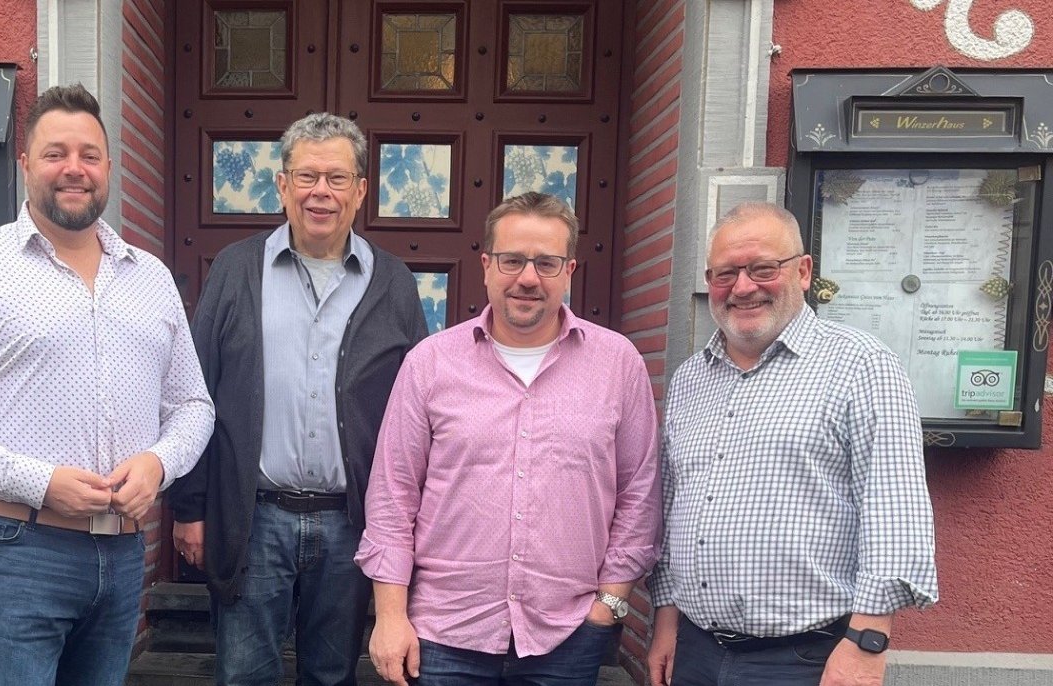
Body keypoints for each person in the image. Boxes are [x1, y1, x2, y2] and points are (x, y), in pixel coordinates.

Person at [0, 83, 214, 686]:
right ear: (25, 166)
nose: (75, 169)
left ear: (109, 167)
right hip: (16, 550)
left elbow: (193, 404)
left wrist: (158, 464)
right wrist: (39, 482)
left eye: (90, 155)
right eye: (55, 153)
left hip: (122, 555)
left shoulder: (151, 279)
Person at [356, 191, 661, 686]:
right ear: (486, 265)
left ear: (570, 270)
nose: (527, 277)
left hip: (566, 636)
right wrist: (390, 617)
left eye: (546, 262)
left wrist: (609, 604)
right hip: (444, 633)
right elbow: (393, 496)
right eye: (512, 260)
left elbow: (639, 493)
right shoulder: (431, 363)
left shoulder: (617, 364)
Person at [167, 112, 427, 686]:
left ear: (361, 190)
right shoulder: (236, 269)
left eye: (337, 178)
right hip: (253, 517)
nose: (321, 193)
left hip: (350, 525)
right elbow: (193, 389)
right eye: (307, 176)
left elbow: (419, 411)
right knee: (244, 674)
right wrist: (189, 507)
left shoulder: (395, 283)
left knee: (332, 676)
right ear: (282, 185)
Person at [645, 202, 938, 686]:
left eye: (762, 268)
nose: (742, 287)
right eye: (725, 274)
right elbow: (674, 508)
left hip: (805, 661)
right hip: (695, 651)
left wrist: (867, 644)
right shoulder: (690, 379)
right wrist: (667, 622)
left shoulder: (862, 365)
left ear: (802, 271)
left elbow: (894, 511)